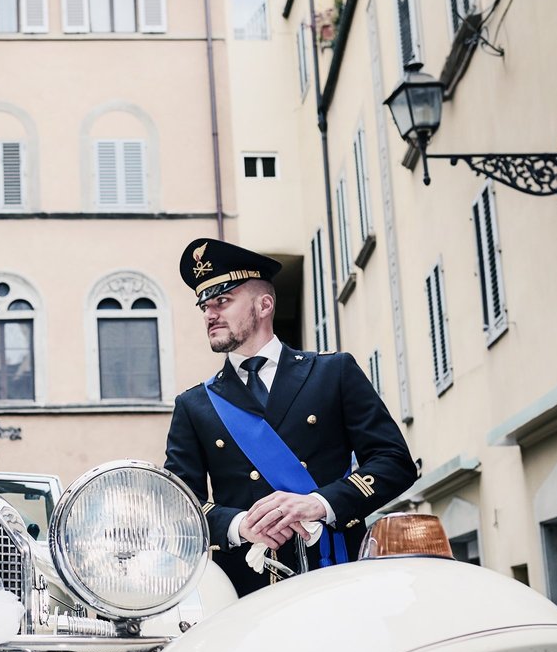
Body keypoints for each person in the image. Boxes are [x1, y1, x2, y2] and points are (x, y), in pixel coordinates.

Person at [163, 239, 414, 597]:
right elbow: (177, 504)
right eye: (205, 306)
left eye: (223, 301)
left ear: (264, 305)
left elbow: (394, 462)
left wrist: (320, 503)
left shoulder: (333, 372)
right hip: (248, 588)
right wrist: (240, 525)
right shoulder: (194, 405)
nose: (209, 314)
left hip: (338, 572)